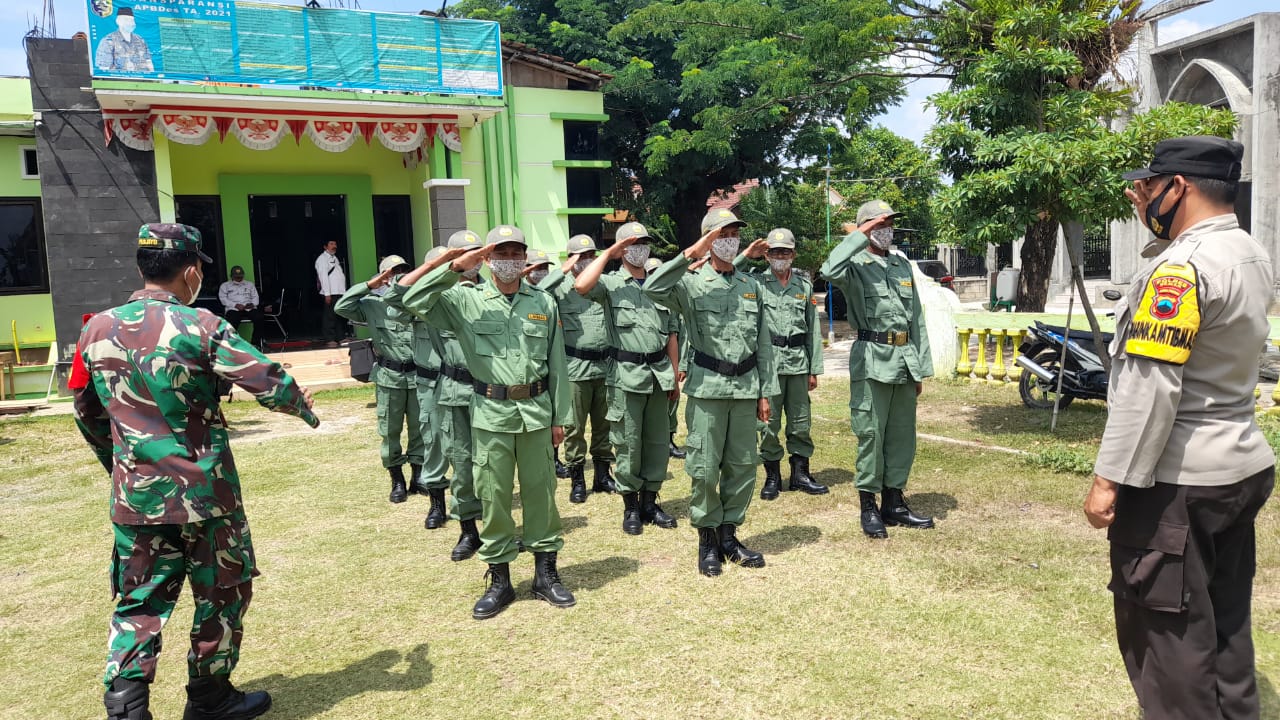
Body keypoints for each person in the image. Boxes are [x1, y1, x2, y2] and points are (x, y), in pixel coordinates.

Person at [74, 223, 318, 720]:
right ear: (190, 272)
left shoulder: (94, 328)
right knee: (221, 593)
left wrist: (123, 468)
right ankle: (210, 698)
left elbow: (86, 411)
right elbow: (266, 381)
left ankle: (126, 706)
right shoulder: (202, 325)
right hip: (206, 498)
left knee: (139, 602)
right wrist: (302, 406)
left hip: (138, 498)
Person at [1083, 136, 1275, 719]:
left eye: (1149, 186)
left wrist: (1108, 479)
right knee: (1224, 626)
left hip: (1178, 480)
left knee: (1168, 643)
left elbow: (1149, 387)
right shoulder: (1250, 251)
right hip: (1240, 462)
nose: (1139, 197)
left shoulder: (1180, 270)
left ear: (1180, 188)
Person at [401, 226, 575, 619]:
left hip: (536, 412)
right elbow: (411, 299)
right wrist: (452, 264)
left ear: (525, 258)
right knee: (493, 497)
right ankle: (500, 580)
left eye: (517, 252)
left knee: (541, 495)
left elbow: (558, 365)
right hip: (491, 414)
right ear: (488, 258)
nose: (510, 259)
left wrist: (561, 417)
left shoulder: (543, 302)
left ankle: (546, 575)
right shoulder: (465, 299)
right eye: (501, 252)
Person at [644, 209, 777, 576]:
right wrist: (691, 252)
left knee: (742, 466)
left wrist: (766, 392)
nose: (730, 238)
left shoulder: (751, 286)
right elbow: (651, 287)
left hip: (747, 387)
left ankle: (729, 535)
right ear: (708, 239)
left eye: (734, 232)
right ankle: (707, 540)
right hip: (708, 388)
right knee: (704, 467)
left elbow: (763, 343)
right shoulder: (690, 283)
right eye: (722, 233)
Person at [819, 200, 934, 539]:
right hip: (872, 357)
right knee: (871, 434)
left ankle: (895, 503)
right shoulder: (853, 264)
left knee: (901, 436)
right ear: (865, 228)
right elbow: (827, 268)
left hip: (903, 359)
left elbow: (917, 320)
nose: (886, 230)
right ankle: (868, 506)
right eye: (878, 225)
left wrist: (920, 367)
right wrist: (860, 234)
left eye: (888, 225)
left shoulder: (901, 265)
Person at [575, 222, 680, 535]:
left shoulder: (660, 284)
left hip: (659, 374)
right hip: (625, 375)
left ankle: (650, 501)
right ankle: (631, 506)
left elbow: (671, 333)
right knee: (629, 444)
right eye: (633, 243)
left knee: (657, 443)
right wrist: (607, 253)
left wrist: (674, 374)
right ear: (622, 249)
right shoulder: (610, 284)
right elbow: (581, 285)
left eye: (644, 242)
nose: (640, 248)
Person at [396, 230, 486, 561]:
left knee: (491, 465)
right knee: (460, 462)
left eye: (476, 253)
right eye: (463, 254)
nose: (470, 260)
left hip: (490, 391)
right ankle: (468, 531)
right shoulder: (437, 298)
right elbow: (399, 295)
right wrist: (443, 265)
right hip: (452, 391)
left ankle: (494, 529)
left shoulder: (493, 292)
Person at [735, 229, 828, 499]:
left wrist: (814, 369)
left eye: (785, 252)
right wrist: (745, 255)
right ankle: (772, 477)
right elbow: (731, 271)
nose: (780, 256)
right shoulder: (755, 284)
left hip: (798, 363)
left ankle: (800, 474)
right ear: (766, 255)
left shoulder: (804, 287)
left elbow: (812, 330)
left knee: (800, 422)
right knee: (767, 424)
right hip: (769, 365)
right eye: (774, 252)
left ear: (793, 254)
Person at [334, 255, 425, 506]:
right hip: (389, 376)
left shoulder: (415, 298)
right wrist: (370, 285)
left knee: (420, 427)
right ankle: (397, 480)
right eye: (392, 271)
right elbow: (341, 306)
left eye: (403, 270)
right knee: (389, 429)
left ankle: (418, 476)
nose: (397, 275)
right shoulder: (371, 303)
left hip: (417, 375)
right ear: (381, 275)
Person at [539, 235, 617, 503]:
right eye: (580, 256)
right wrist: (563, 268)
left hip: (605, 366)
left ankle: (603, 475)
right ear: (570, 259)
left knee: (605, 425)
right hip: (575, 368)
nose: (586, 261)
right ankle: (577, 479)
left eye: (590, 256)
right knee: (574, 428)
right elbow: (540, 292)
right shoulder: (560, 289)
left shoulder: (604, 285)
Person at [385, 247, 452, 531]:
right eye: (439, 265)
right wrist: (428, 271)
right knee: (434, 442)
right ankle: (437, 504)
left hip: (465, 381)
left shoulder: (476, 292)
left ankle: (470, 505)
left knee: (468, 448)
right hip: (430, 381)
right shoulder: (419, 299)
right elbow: (391, 299)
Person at [646, 256, 687, 460]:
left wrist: (679, 365)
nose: (656, 277)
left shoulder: (672, 301)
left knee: (671, 404)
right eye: (651, 273)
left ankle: (669, 440)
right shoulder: (643, 301)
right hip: (648, 365)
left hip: (669, 362)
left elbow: (678, 336)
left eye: (659, 273)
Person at [95, 7, 154, 73]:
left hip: (142, 81)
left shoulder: (140, 40)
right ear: (118, 21)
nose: (131, 23)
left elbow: (148, 62)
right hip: (118, 81)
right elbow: (104, 69)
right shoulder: (108, 41)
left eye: (132, 20)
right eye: (127, 20)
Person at [315, 240, 348, 348]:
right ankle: (330, 338)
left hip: (338, 292)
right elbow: (323, 277)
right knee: (329, 317)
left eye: (335, 244)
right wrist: (327, 294)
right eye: (331, 244)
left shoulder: (335, 258)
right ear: (325, 246)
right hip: (330, 293)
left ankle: (341, 337)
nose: (334, 246)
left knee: (338, 315)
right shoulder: (322, 259)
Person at [217, 265, 266, 336]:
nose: (239, 278)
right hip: (233, 309)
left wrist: (252, 304)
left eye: (240, 276)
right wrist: (235, 305)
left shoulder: (250, 284)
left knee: (259, 318)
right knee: (232, 320)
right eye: (237, 277)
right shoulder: (225, 285)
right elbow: (223, 299)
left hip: (249, 308)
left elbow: (255, 297)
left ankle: (256, 342)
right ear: (232, 276)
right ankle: (231, 342)